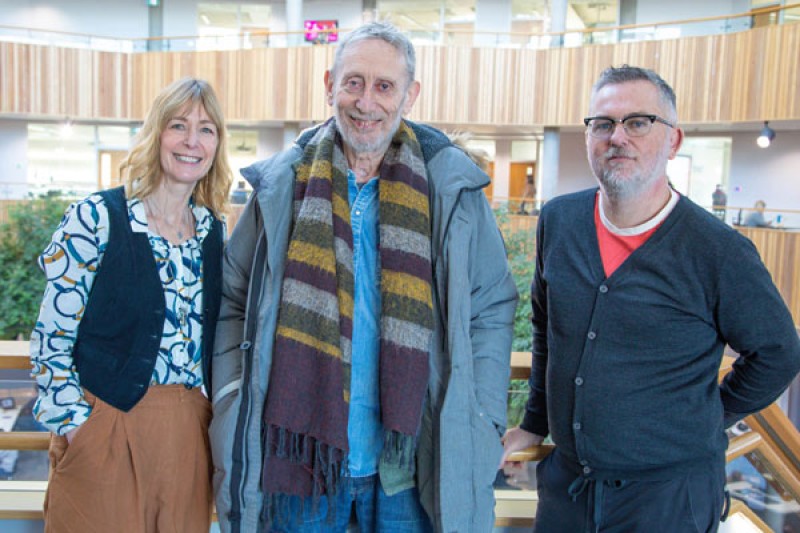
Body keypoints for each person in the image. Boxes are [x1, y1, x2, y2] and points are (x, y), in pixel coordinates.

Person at [210, 21, 518, 533]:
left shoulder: (448, 187)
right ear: (328, 84)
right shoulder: (283, 185)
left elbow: (491, 305)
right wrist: (232, 394)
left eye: (383, 86)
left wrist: (482, 414)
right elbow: (233, 297)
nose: (365, 102)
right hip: (301, 449)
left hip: (411, 453)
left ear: (410, 95)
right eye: (353, 82)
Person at [501, 65, 800, 532]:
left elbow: (779, 352)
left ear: (673, 141)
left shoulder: (717, 250)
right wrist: (534, 422)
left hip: (668, 499)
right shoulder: (558, 221)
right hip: (568, 489)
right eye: (602, 123)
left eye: (638, 122)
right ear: (588, 137)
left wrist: (708, 415)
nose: (617, 136)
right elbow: (546, 331)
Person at [29, 77, 233, 533]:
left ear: (218, 144)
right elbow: (51, 337)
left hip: (186, 433)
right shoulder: (96, 217)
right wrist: (77, 426)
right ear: (156, 133)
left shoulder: (212, 231)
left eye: (206, 129)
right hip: (105, 424)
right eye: (178, 125)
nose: (191, 142)